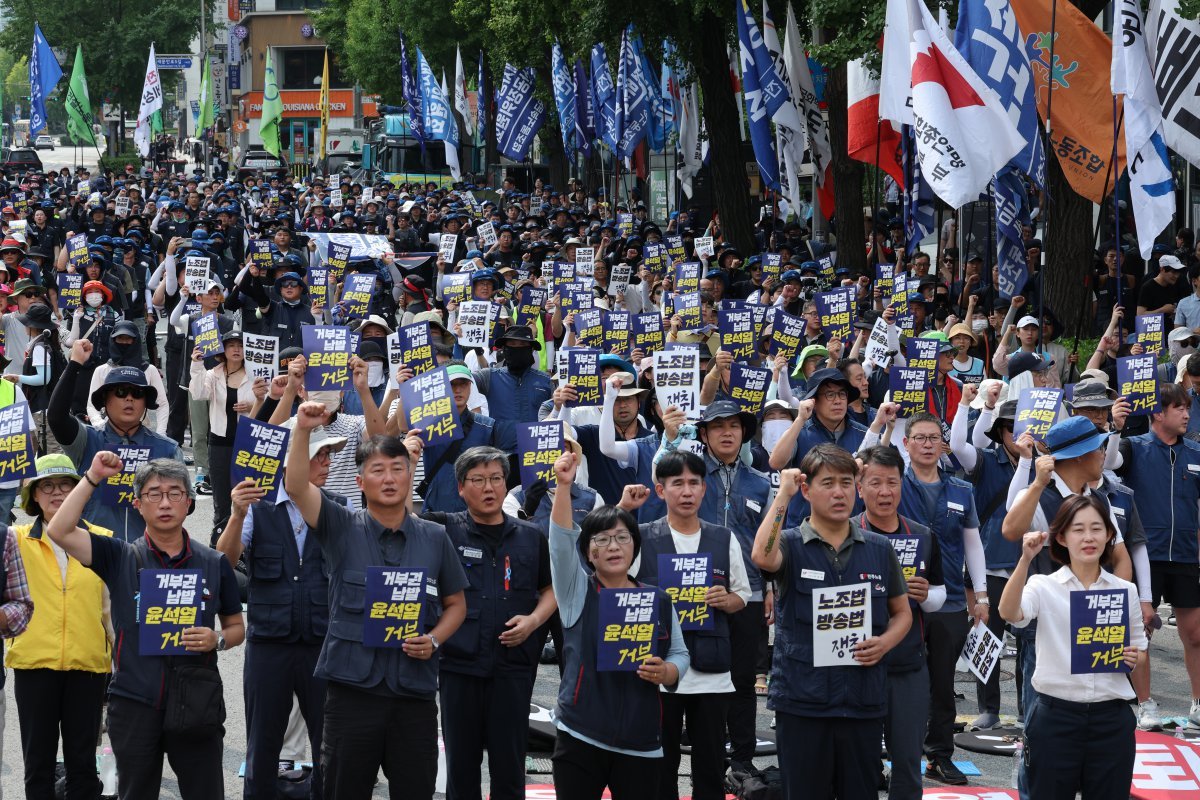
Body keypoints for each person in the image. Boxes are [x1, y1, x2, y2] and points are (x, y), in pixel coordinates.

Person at [283, 410, 468, 800]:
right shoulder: (340, 526)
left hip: (413, 695)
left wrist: (433, 640)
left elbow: (456, 604)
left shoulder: (434, 537)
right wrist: (301, 428)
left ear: (410, 474)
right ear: (360, 481)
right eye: (378, 470)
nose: (389, 479)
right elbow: (297, 486)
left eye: (398, 469)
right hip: (353, 693)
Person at [44, 454, 245, 800]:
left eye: (175, 493)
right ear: (137, 504)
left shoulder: (213, 562)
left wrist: (218, 639)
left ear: (190, 503)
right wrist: (93, 476)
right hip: (134, 702)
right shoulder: (119, 556)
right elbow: (59, 530)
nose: (165, 502)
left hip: (196, 702)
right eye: (154, 494)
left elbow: (236, 626)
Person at [751, 444, 911, 800]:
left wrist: (884, 643)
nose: (839, 492)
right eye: (827, 483)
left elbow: (903, 614)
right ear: (807, 489)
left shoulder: (879, 548)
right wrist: (783, 495)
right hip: (802, 700)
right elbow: (762, 555)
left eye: (846, 483)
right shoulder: (791, 544)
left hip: (862, 700)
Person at [547, 450, 689, 800]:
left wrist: (668, 671)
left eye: (623, 538)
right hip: (580, 734)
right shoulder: (576, 590)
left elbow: (679, 653)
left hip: (641, 741)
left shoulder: (657, 599)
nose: (614, 546)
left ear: (634, 547)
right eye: (602, 540)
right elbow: (561, 544)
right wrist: (564, 487)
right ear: (590, 552)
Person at [216, 427, 348, 800]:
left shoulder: (338, 507)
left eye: (328, 455)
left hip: (324, 645)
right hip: (269, 645)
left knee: (331, 747)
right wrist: (236, 514)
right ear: (291, 460)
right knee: (262, 748)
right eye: (319, 454)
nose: (327, 462)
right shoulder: (257, 507)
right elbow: (224, 565)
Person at [418, 446, 556, 800]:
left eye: (496, 478)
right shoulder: (443, 529)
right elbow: (400, 517)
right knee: (461, 770)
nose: (489, 487)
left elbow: (551, 590)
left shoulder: (530, 536)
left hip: (513, 669)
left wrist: (534, 620)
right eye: (478, 480)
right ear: (461, 488)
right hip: (458, 666)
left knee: (509, 767)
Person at [618, 451, 749, 800]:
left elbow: (743, 595)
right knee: (661, 768)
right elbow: (616, 588)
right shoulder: (642, 536)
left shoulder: (724, 538)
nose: (687, 491)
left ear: (705, 489)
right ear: (661, 491)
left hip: (711, 672)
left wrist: (727, 600)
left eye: (694, 483)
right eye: (678, 484)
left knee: (710, 767)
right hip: (658, 670)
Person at [998, 494, 1146, 800]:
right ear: (1062, 537)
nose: (1088, 537)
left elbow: (1139, 651)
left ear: (1109, 535)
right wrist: (1025, 559)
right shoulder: (1043, 585)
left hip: (1112, 718)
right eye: (1078, 529)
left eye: (1096, 528)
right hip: (1056, 717)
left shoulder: (1125, 590)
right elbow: (1009, 612)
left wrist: (1135, 657)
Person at [7, 455, 111, 800]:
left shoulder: (103, 540)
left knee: (83, 765)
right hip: (34, 663)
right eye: (46, 486)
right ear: (33, 496)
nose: (57, 493)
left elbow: (111, 611)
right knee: (38, 764)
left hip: (88, 664)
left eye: (66, 484)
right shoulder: (14, 540)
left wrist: (120, 663)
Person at [894, 411, 988, 785]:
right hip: (900, 599)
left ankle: (939, 755)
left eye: (934, 438)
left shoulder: (961, 489)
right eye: (920, 437)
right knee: (900, 680)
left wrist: (980, 595)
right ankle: (895, 751)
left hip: (948, 599)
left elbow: (974, 544)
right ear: (907, 444)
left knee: (942, 684)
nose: (928, 444)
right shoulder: (894, 485)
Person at [855, 446, 945, 800]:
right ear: (859, 486)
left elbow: (941, 595)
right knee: (856, 761)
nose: (884, 492)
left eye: (892, 483)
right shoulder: (844, 533)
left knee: (908, 760)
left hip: (908, 665)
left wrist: (926, 595)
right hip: (855, 664)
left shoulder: (922, 535)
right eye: (875, 482)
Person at [1116, 382, 1200, 726]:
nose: (1186, 414)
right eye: (1178, 408)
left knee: (1195, 633)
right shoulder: (1132, 448)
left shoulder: (1195, 453)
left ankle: (1198, 703)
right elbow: (1107, 464)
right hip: (1143, 555)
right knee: (1141, 633)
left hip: (1185, 555)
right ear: (1157, 412)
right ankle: (1145, 705)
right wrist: (1115, 426)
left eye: (1188, 408)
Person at [47, 340, 184, 541]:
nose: (129, 399)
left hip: (148, 557)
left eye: (137, 393)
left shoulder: (168, 449)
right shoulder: (87, 439)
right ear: (105, 400)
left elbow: (186, 507)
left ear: (146, 402)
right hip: (92, 556)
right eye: (120, 392)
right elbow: (56, 417)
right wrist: (75, 363)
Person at [189, 329, 260, 526]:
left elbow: (270, 401)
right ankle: (219, 538)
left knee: (248, 494)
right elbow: (199, 394)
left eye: (240, 345)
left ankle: (246, 543)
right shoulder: (213, 374)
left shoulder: (256, 374)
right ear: (223, 349)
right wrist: (197, 364)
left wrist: (252, 406)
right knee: (221, 498)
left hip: (248, 442)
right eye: (231, 345)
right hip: (219, 442)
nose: (236, 349)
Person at [472, 325, 555, 425]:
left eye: (523, 344)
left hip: (536, 440)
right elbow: (461, 380)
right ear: (504, 348)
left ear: (531, 349)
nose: (517, 348)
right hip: (500, 440)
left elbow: (557, 412)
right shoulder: (489, 377)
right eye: (512, 344)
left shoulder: (545, 381)